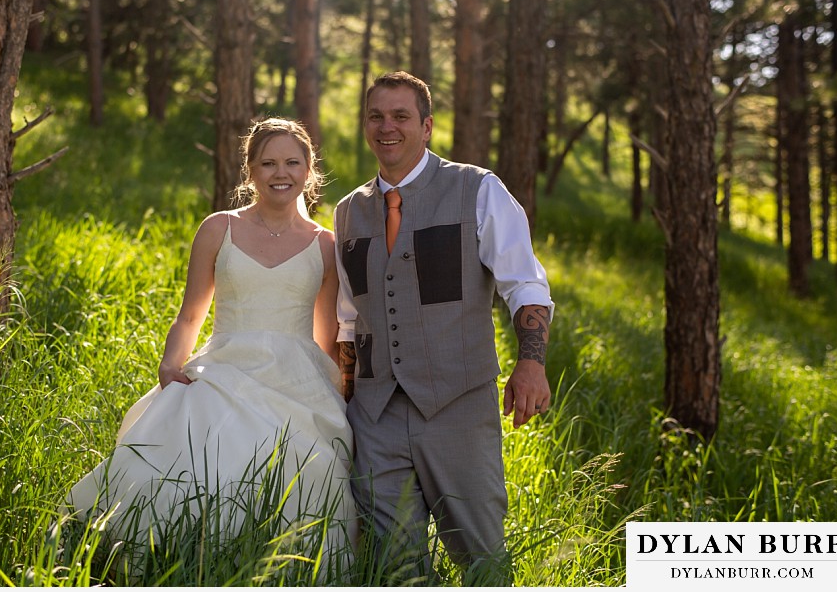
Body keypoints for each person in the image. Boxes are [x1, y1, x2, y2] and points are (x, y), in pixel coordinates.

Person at [62, 118, 357, 576]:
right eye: (269, 163)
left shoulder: (324, 245)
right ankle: (187, 561)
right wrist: (170, 366)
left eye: (292, 162)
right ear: (251, 171)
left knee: (308, 467)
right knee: (197, 459)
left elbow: (325, 335)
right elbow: (190, 314)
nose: (281, 172)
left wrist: (337, 391)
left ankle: (285, 568)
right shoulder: (219, 229)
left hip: (297, 377)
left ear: (309, 169)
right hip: (225, 367)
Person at [333, 71, 554, 583]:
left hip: (458, 405)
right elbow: (349, 320)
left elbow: (524, 284)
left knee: (483, 562)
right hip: (375, 415)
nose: (387, 127)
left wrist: (531, 363)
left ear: (427, 125)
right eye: (376, 116)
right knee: (394, 569)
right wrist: (343, 404)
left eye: (401, 116)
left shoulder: (477, 190)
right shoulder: (348, 212)